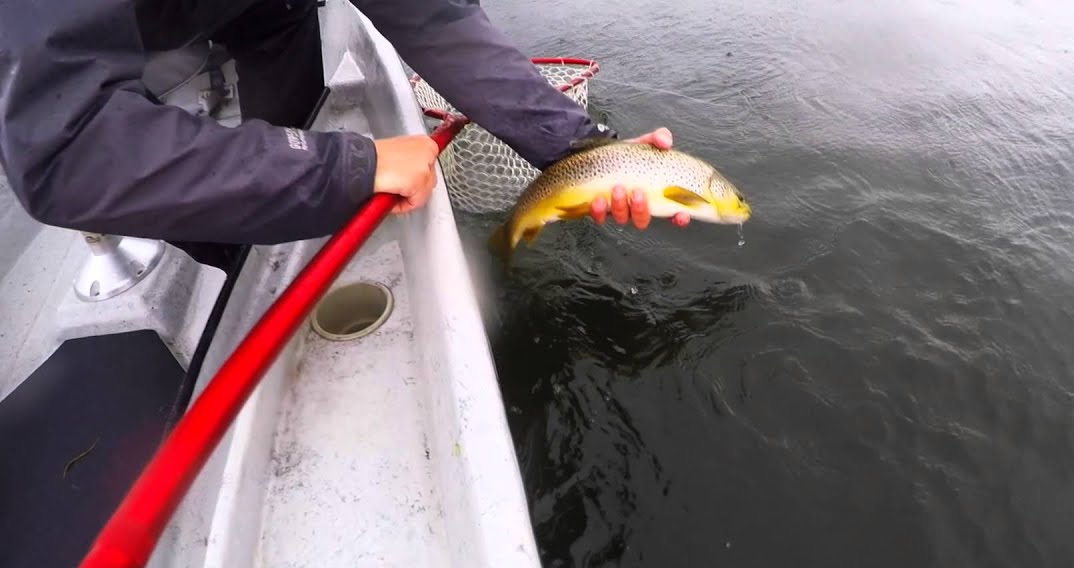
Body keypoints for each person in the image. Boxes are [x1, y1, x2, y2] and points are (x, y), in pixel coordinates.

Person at [0, 0, 690, 270]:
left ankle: (251, 250)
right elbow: (67, 148)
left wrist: (579, 148)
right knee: (175, 181)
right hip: (102, 36)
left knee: (283, 152)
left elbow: (434, 18)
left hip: (264, 11)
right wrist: (351, 167)